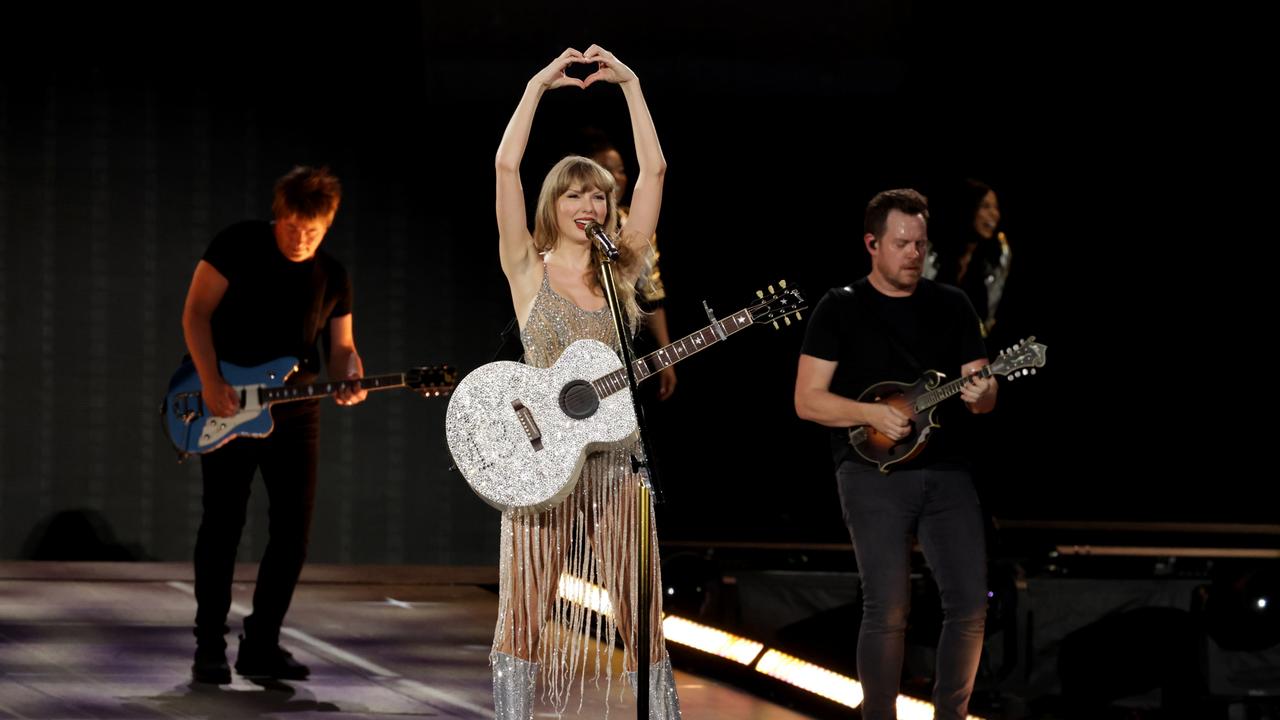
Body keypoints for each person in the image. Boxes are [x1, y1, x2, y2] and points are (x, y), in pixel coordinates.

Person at [490, 45, 678, 718]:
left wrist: (630, 82)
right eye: (574, 192)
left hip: (615, 459)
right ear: (554, 203)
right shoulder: (527, 268)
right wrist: (539, 84)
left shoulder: (621, 268)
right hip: (540, 462)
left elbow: (654, 167)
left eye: (598, 193)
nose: (589, 202)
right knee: (526, 612)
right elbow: (506, 165)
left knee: (640, 607)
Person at [794, 188, 996, 719]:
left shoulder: (952, 304)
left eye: (920, 244)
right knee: (888, 609)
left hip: (947, 470)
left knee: (971, 606)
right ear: (872, 244)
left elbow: (982, 391)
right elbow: (806, 401)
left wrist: (984, 393)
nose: (913, 253)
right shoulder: (839, 307)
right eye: (902, 243)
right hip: (870, 472)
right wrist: (870, 414)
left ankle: (950, 714)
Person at [181, 165, 367, 684]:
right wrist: (210, 380)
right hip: (227, 404)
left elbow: (343, 350)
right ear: (277, 215)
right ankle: (209, 646)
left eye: (312, 231)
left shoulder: (333, 276)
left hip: (297, 413)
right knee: (223, 524)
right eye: (291, 227)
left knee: (292, 534)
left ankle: (261, 642)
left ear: (327, 225)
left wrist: (351, 375)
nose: (300, 238)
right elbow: (195, 314)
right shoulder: (237, 244)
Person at [586, 131, 677, 401]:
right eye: (605, 169)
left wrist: (667, 355)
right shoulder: (567, 230)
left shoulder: (631, 230)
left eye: (621, 170)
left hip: (617, 354)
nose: (615, 177)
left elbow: (651, 294)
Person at [926, 178, 1011, 339]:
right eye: (986, 206)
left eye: (996, 208)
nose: (995, 214)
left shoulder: (994, 261)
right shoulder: (930, 251)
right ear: (967, 208)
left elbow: (986, 322)